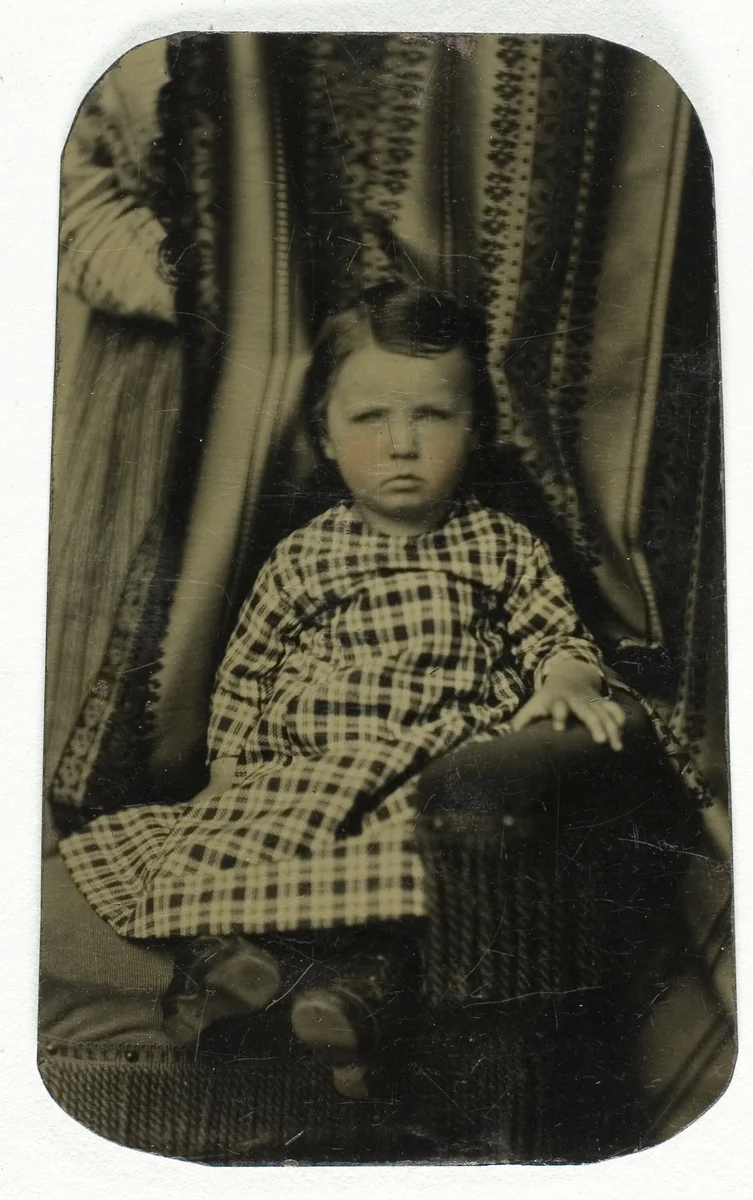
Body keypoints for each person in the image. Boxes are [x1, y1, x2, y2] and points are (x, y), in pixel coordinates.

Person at [59, 282, 627, 1096]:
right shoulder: (303, 556)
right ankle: (230, 968)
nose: (402, 444)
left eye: (432, 416)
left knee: (414, 870)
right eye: (370, 418)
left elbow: (555, 635)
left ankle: (353, 1001)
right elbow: (246, 671)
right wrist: (228, 769)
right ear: (325, 432)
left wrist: (568, 676)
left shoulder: (502, 547)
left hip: (424, 763)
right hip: (305, 769)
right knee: (219, 853)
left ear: (479, 428)